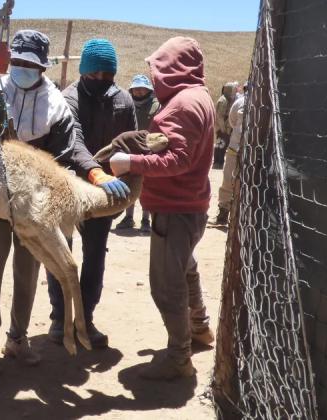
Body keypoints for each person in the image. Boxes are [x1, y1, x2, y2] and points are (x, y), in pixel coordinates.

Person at [0, 30, 129, 376]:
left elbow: (67, 152)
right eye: (18, 62)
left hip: (32, 206)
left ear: (41, 68)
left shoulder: (55, 105)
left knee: (28, 273)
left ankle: (17, 338)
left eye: (30, 64)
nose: (23, 68)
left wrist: (90, 173)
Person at [109, 36, 216, 380]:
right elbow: (180, 146)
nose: (154, 77)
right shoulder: (199, 97)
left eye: (157, 68)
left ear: (173, 67)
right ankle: (199, 327)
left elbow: (178, 158)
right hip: (192, 204)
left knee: (167, 284)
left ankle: (178, 357)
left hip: (175, 208)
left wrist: (131, 162)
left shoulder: (183, 104)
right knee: (186, 267)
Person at [45, 39, 136, 349]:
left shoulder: (123, 100)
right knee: (61, 255)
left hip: (104, 195)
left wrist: (129, 188)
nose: (100, 80)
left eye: (107, 75)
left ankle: (86, 317)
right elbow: (74, 142)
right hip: (69, 189)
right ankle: (60, 318)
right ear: (83, 71)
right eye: (94, 73)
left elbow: (132, 142)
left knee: (95, 256)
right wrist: (95, 171)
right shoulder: (67, 99)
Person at [115, 74, 161, 232]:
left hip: (149, 150)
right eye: (136, 89)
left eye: (142, 89)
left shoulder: (157, 106)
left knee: (147, 184)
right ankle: (128, 217)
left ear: (148, 90)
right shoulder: (127, 104)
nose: (139, 92)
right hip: (130, 149)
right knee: (129, 183)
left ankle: (145, 219)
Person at [214, 82, 247, 225]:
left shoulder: (264, 104)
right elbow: (233, 122)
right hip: (235, 148)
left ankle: (243, 216)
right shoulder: (239, 102)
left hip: (252, 152)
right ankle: (223, 211)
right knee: (228, 180)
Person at [213, 81, 238, 169]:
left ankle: (220, 163)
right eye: (233, 90)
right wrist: (223, 129)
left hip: (226, 128)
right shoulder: (223, 100)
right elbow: (220, 116)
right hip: (222, 128)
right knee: (220, 145)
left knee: (223, 146)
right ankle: (217, 163)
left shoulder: (228, 99)